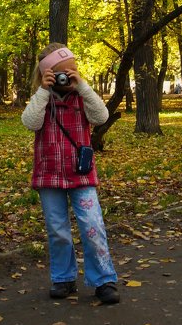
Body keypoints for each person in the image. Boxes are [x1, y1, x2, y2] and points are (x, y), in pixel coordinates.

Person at [21, 43, 120, 304]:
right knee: (58, 230)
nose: (67, 77)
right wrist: (43, 90)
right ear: (47, 75)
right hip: (49, 175)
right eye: (61, 73)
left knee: (93, 226)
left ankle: (103, 279)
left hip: (81, 175)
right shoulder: (41, 99)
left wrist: (83, 86)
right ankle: (63, 278)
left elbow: (101, 117)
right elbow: (30, 122)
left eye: (72, 70)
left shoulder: (83, 97)